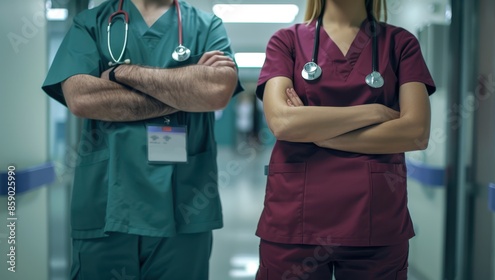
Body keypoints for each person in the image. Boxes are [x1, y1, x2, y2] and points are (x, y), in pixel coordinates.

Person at [42, 0, 243, 279]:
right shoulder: (91, 23)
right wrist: (185, 93)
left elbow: (216, 91)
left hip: (185, 205)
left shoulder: (206, 26)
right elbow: (82, 98)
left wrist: (121, 73)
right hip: (106, 205)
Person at [255, 0, 435, 279]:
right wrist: (373, 111)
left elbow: (416, 132)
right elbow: (282, 122)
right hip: (294, 221)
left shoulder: (400, 44)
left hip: (375, 221)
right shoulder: (286, 41)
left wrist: (316, 133)